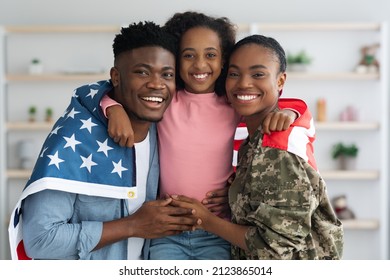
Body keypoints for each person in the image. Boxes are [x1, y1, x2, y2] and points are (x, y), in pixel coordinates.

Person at [102, 12, 309, 260]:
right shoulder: (165, 99)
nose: (200, 65)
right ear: (175, 60)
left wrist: (291, 111)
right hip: (168, 229)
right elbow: (105, 91)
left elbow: (275, 102)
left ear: (223, 61)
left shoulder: (235, 104)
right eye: (188, 55)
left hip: (219, 229)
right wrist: (112, 107)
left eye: (210, 55)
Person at [8, 21, 199, 260]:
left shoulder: (164, 133)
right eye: (142, 71)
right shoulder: (75, 137)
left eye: (167, 74)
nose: (156, 84)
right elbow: (40, 240)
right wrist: (132, 226)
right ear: (116, 77)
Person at [171, 34, 344, 260]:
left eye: (258, 74)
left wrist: (206, 219)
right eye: (234, 74)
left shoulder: (276, 148)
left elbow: (273, 246)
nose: (244, 83)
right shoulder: (252, 139)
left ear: (280, 81)